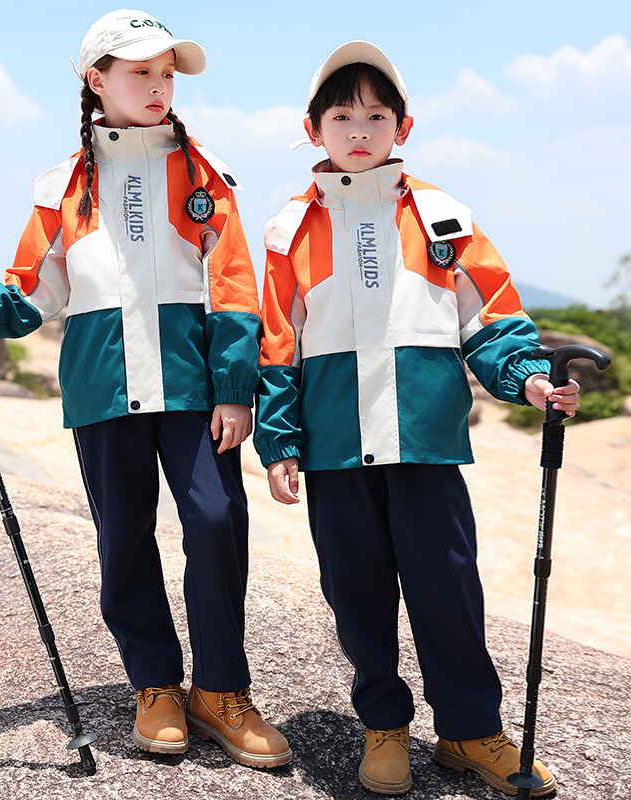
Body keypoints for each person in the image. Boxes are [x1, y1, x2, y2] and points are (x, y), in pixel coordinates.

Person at [0, 9, 291, 769]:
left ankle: (221, 690)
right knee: (123, 535)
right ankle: (154, 683)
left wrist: (234, 387)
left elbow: (233, 286)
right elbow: (34, 288)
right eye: (140, 72)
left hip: (194, 385)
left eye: (167, 74)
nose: (158, 87)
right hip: (101, 385)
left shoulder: (207, 175)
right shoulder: (61, 184)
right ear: (97, 79)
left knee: (216, 520)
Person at [254, 40, 579, 795]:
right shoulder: (287, 230)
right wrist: (279, 441)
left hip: (427, 445)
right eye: (342, 116)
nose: (358, 130)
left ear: (404, 126)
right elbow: (278, 344)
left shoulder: (444, 216)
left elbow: (491, 319)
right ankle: (384, 727)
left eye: (376, 116)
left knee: (448, 588)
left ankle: (470, 731)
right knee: (355, 591)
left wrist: (530, 380)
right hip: (336, 449)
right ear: (313, 129)